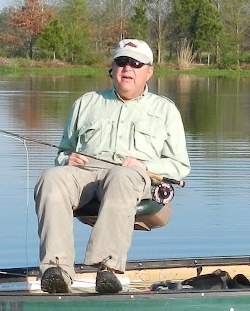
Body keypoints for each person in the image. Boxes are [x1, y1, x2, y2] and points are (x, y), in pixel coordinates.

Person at [34, 39, 190, 294]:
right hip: (84, 172)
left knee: (121, 176)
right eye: (122, 61)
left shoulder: (165, 110)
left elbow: (179, 166)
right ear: (113, 68)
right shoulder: (86, 103)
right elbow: (63, 151)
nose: (127, 68)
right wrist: (66, 160)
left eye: (136, 63)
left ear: (149, 72)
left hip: (135, 177)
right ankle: (56, 271)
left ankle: (107, 270)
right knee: (51, 178)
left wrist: (143, 165)